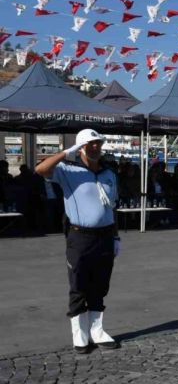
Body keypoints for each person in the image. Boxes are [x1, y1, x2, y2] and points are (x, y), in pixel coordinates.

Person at [35, 129, 120, 353]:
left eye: (98, 143)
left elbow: (112, 207)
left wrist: (116, 236)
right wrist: (66, 152)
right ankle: (79, 334)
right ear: (81, 147)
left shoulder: (109, 173)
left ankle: (97, 331)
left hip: (105, 236)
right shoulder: (67, 170)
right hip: (80, 236)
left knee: (100, 284)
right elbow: (40, 169)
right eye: (91, 144)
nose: (96, 147)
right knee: (79, 284)